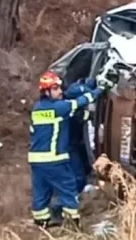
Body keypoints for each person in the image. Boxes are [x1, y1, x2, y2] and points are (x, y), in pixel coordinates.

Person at [29, 71, 102, 229]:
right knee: (68, 188)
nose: (60, 92)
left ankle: (41, 222)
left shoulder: (37, 109)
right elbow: (82, 101)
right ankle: (72, 224)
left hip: (36, 161)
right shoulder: (59, 108)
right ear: (46, 92)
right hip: (54, 159)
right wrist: (100, 89)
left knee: (41, 192)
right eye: (55, 89)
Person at [63, 78, 97, 193]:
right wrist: (101, 89)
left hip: (73, 143)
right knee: (78, 178)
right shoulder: (66, 103)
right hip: (68, 146)